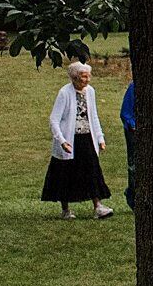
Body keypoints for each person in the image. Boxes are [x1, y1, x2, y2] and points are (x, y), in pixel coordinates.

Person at [44, 61, 113, 219]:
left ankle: (98, 206)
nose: (87, 80)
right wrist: (62, 141)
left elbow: (93, 116)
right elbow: (54, 119)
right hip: (69, 138)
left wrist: (100, 138)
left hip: (86, 137)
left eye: (89, 76)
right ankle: (66, 210)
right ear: (74, 78)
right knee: (65, 172)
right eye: (83, 77)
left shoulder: (90, 92)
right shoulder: (64, 93)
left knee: (92, 169)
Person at [119, 75, 137, 211]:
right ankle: (133, 197)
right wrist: (133, 125)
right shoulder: (134, 86)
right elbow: (125, 113)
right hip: (134, 131)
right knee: (134, 166)